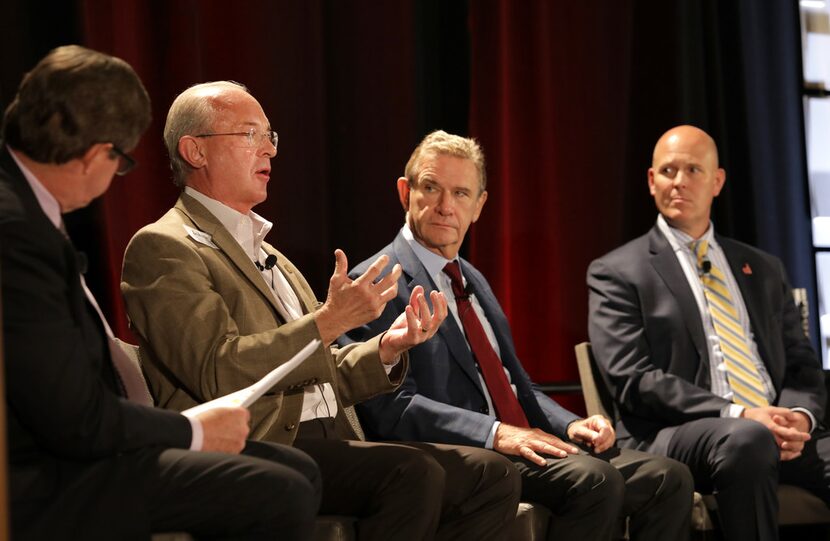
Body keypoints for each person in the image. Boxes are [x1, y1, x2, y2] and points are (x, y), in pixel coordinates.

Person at [121, 82, 521, 541]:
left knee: (492, 476)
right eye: (250, 135)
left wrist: (387, 349)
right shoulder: (164, 247)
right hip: (260, 446)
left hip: (328, 438)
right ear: (195, 151)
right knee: (412, 473)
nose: (269, 150)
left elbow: (321, 368)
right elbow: (218, 370)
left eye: (270, 136)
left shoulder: (272, 255)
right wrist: (329, 320)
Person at [1, 45, 322, 541]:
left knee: (298, 472)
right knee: (280, 489)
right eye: (120, 160)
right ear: (94, 154)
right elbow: (72, 416)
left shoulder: (26, 211)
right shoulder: (19, 232)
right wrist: (191, 429)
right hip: (43, 476)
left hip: (77, 445)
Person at [342, 129, 694, 541]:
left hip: (521, 440)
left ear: (479, 206)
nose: (444, 207)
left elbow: (514, 382)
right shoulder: (377, 281)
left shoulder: (471, 277)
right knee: (595, 482)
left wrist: (571, 424)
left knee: (668, 478)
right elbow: (391, 409)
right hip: (465, 455)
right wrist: (495, 432)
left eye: (460, 194)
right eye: (431, 188)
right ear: (405, 193)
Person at [587, 124, 829, 541]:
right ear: (651, 181)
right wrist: (740, 413)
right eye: (667, 171)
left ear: (717, 182)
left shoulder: (763, 268)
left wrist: (798, 418)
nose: (679, 182)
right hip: (675, 432)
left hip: (775, 428)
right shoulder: (617, 271)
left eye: (693, 170)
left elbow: (803, 364)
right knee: (748, 439)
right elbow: (633, 378)